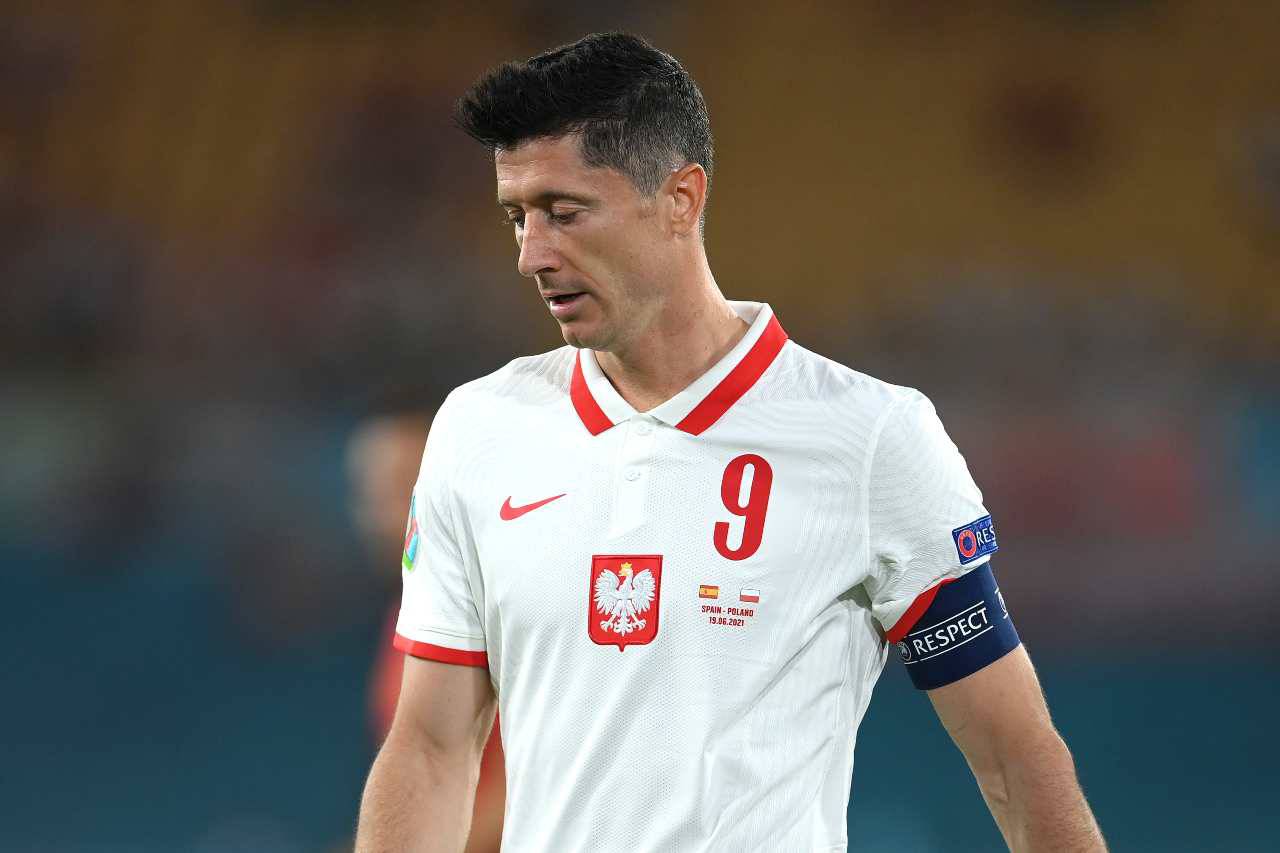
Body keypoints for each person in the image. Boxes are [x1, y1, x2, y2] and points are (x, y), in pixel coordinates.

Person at [356, 32, 1106, 852]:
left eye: (564, 213)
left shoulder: (870, 437)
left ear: (681, 198)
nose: (532, 255)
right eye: (517, 217)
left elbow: (1015, 756)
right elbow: (430, 750)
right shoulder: (480, 427)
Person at [347, 408, 504, 853]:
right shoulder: (407, 616)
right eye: (372, 495)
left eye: (404, 489)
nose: (384, 517)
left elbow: (538, 782)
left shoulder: (503, 608)